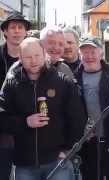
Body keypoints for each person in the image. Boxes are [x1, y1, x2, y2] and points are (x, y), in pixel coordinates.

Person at [0, 37, 87, 180]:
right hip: (24, 164)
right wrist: (25, 122)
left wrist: (68, 150)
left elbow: (78, 119)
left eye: (37, 55)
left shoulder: (63, 82)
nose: (33, 60)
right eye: (28, 57)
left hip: (58, 161)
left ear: (44, 53)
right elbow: (2, 118)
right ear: (20, 57)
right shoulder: (11, 85)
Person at [76, 35, 109, 180]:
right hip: (88, 142)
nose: (89, 56)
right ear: (80, 54)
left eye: (93, 52)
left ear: (100, 53)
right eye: (85, 52)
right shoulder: (74, 79)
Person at [0, 12, 30, 180]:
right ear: (5, 31)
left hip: (28, 126)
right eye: (12, 27)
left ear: (26, 32)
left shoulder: (34, 56)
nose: (17, 31)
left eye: (20, 27)